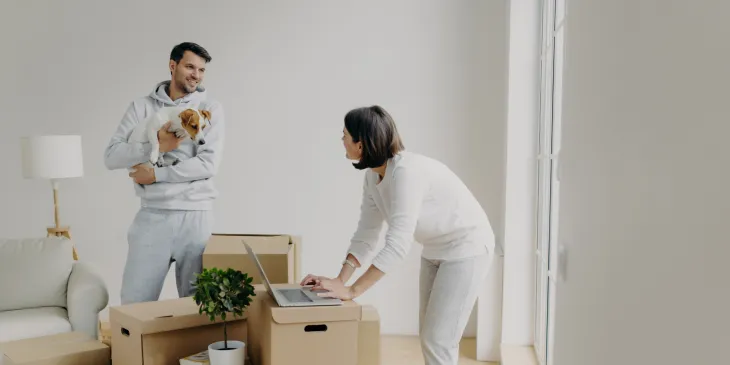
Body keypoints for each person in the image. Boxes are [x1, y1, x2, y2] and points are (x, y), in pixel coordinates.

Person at [301, 105, 494, 365]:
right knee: (430, 337)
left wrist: (353, 290)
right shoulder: (373, 177)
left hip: (467, 248)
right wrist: (340, 281)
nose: (342, 140)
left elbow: (397, 245)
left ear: (361, 144)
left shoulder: (405, 173)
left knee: (439, 340)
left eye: (345, 134)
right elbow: (367, 233)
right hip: (435, 249)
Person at [104, 42, 225, 304]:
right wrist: (158, 144)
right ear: (173, 65)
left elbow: (207, 165)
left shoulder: (210, 108)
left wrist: (156, 175)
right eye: (190, 66)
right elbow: (112, 156)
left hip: (196, 217)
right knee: (135, 304)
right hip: (152, 216)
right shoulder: (141, 107)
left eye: (202, 70)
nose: (196, 75)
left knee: (199, 306)